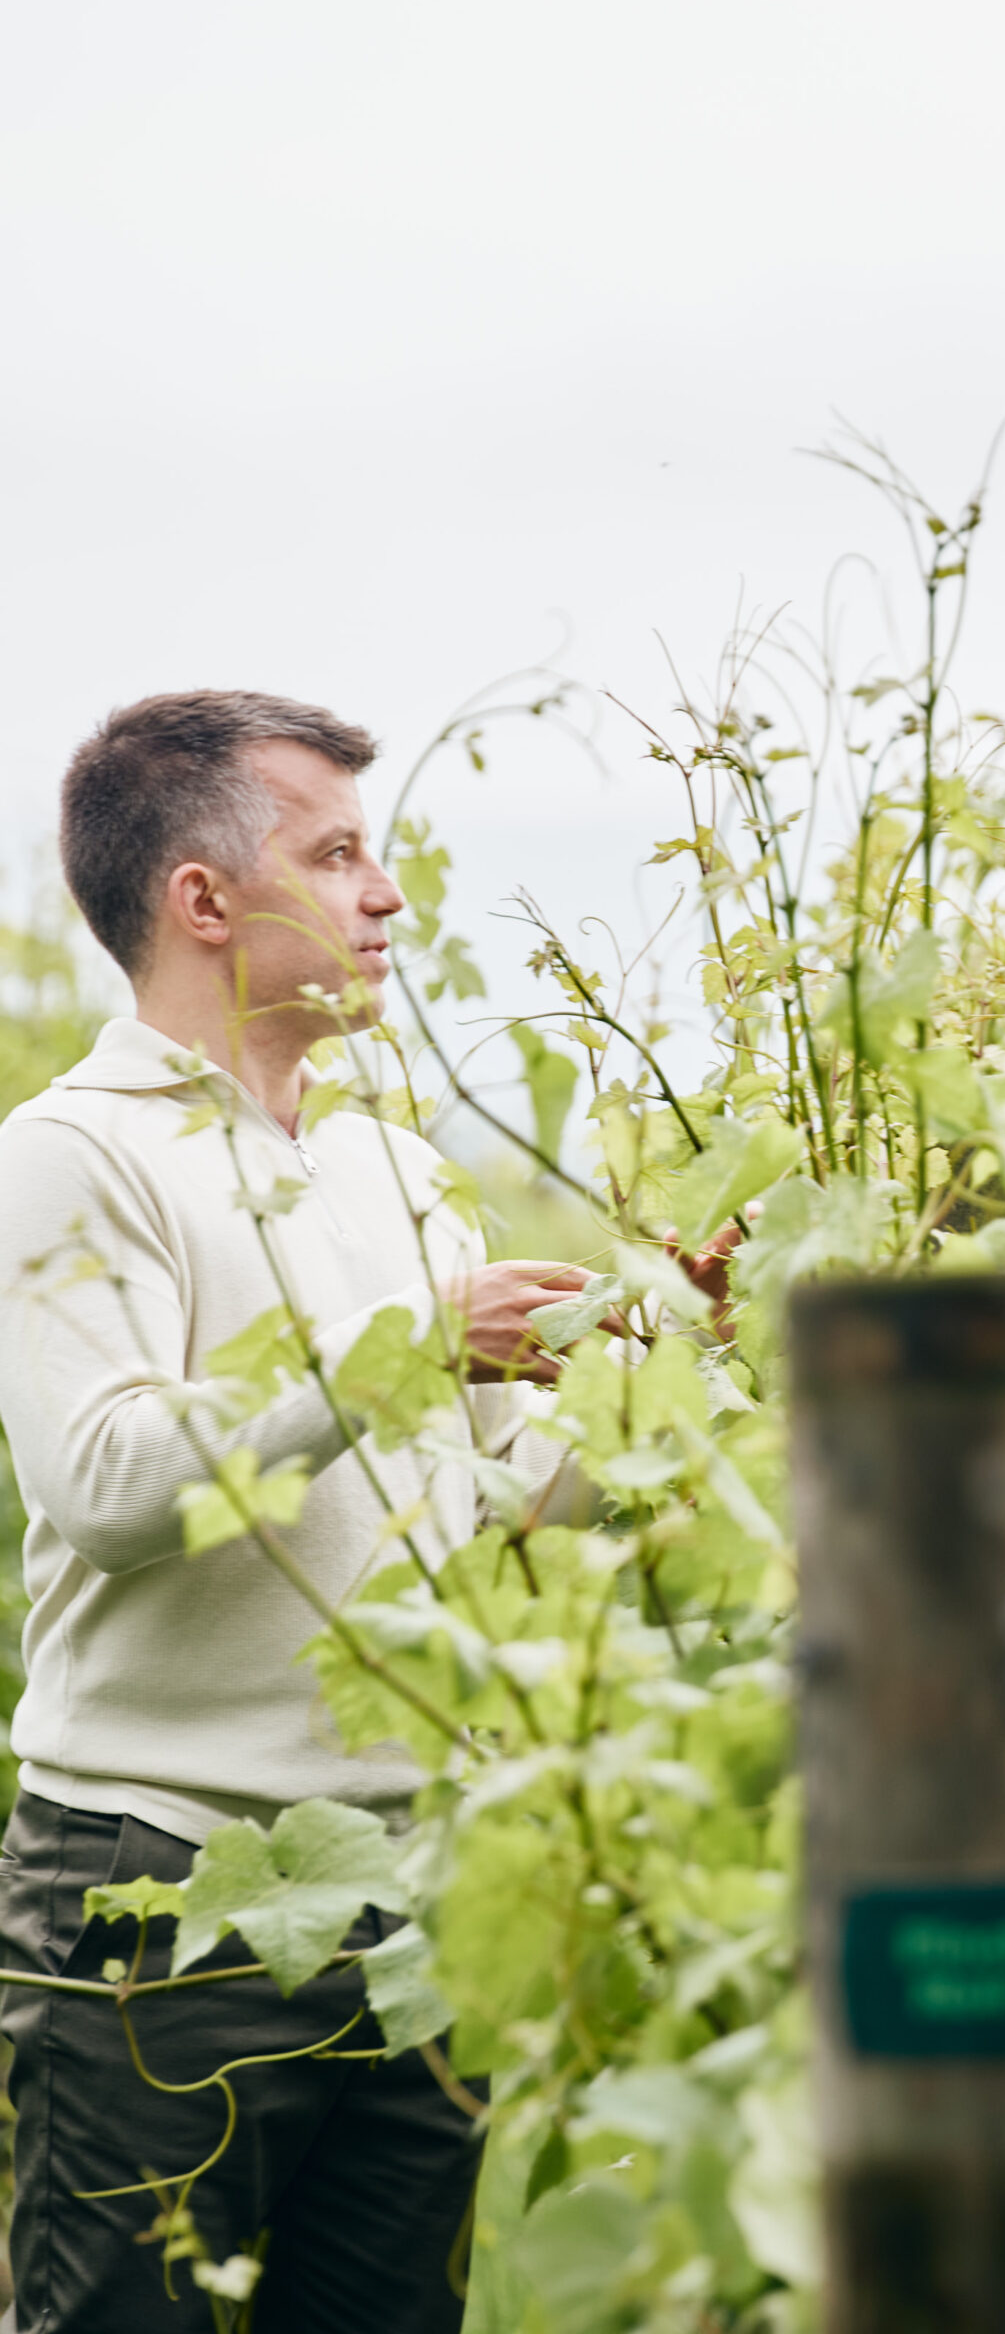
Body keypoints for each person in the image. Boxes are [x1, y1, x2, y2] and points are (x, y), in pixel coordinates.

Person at [0, 692, 598, 2329]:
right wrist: (409, 1345)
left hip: (404, 1899)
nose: (384, 894)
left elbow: (507, 1492)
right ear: (202, 899)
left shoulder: (395, 1170)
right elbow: (106, 1482)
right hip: (163, 1895)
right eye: (334, 856)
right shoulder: (66, 1157)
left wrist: (682, 1368)